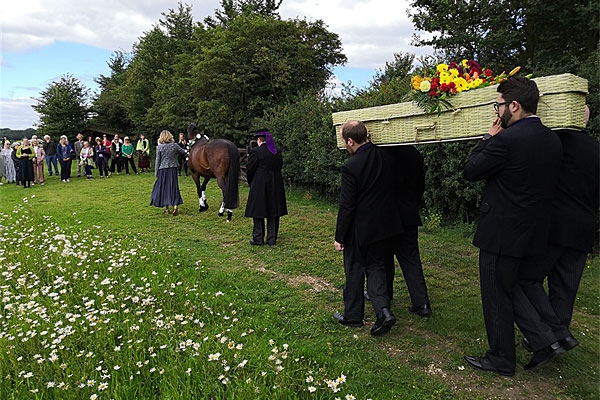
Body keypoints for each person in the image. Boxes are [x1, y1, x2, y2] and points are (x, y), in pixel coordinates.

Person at [462, 76, 562, 376]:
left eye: (499, 104)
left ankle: (501, 358)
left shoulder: (506, 140)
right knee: (512, 289)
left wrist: (487, 138)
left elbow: (471, 171)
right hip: (534, 231)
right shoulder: (551, 138)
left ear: (514, 106)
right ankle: (547, 340)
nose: (498, 110)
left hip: (502, 234)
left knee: (496, 295)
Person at [514, 105, 599, 364]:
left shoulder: (555, 143)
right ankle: (558, 340)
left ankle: (553, 336)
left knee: (525, 278)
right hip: (585, 226)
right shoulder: (596, 148)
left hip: (555, 224)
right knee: (565, 287)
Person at [333, 120, 404, 336]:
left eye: (345, 141)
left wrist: (340, 236)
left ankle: (353, 316)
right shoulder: (386, 157)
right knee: (376, 268)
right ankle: (383, 310)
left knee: (354, 270)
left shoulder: (351, 167)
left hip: (360, 228)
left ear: (351, 141)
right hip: (385, 226)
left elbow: (347, 205)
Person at [381, 145, 431, 315]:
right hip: (408, 213)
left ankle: (385, 294)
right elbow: (420, 185)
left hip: (387, 215)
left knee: (384, 257)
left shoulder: (380, 154)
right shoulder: (414, 153)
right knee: (411, 259)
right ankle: (421, 303)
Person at [244, 130, 287, 246]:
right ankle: (271, 239)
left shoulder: (256, 152)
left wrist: (251, 181)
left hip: (260, 184)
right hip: (275, 184)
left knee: (258, 210)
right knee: (274, 211)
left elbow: (250, 169)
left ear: (259, 140)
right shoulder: (276, 151)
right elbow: (280, 166)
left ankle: (258, 238)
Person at [150, 130, 187, 215]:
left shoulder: (159, 147)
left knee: (164, 188)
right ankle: (175, 205)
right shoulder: (174, 146)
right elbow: (184, 152)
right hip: (173, 168)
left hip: (163, 169)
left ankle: (167, 209)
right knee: (173, 186)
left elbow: (157, 161)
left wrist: (156, 173)